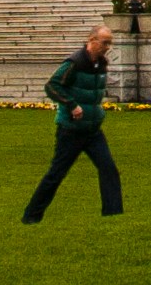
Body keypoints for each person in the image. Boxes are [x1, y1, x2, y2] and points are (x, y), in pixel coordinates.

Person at [22, 24, 124, 222]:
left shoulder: (101, 63)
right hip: (71, 131)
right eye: (104, 43)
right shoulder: (74, 63)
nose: (107, 47)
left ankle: (113, 215)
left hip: (93, 130)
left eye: (110, 43)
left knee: (108, 169)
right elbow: (52, 86)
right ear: (91, 41)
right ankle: (31, 215)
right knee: (56, 174)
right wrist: (71, 105)